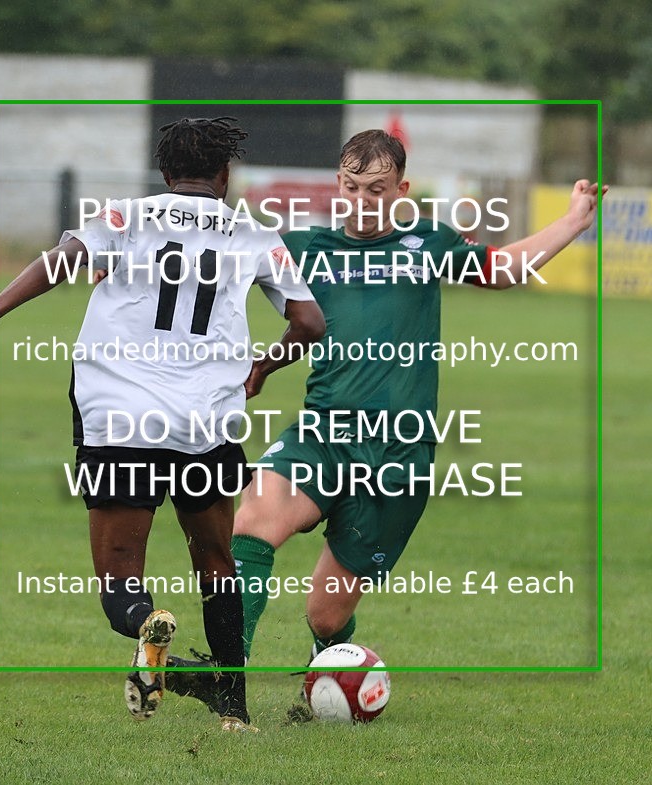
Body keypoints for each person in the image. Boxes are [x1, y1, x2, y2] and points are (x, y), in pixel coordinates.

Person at [0, 117, 325, 732]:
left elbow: (59, 263)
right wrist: (264, 367)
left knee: (119, 580)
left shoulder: (125, 217)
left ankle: (145, 629)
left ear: (165, 174)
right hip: (206, 421)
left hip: (119, 418)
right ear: (224, 175)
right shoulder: (254, 235)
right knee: (216, 561)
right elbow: (311, 324)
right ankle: (234, 710)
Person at [224, 129, 606, 711]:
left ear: (401, 189)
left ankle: (329, 679)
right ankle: (228, 682)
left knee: (324, 615)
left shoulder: (427, 242)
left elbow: (500, 269)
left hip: (398, 460)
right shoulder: (304, 247)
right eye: (351, 187)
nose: (361, 200)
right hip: (323, 435)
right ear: (338, 185)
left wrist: (574, 222)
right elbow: (218, 269)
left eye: (376, 189)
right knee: (252, 520)